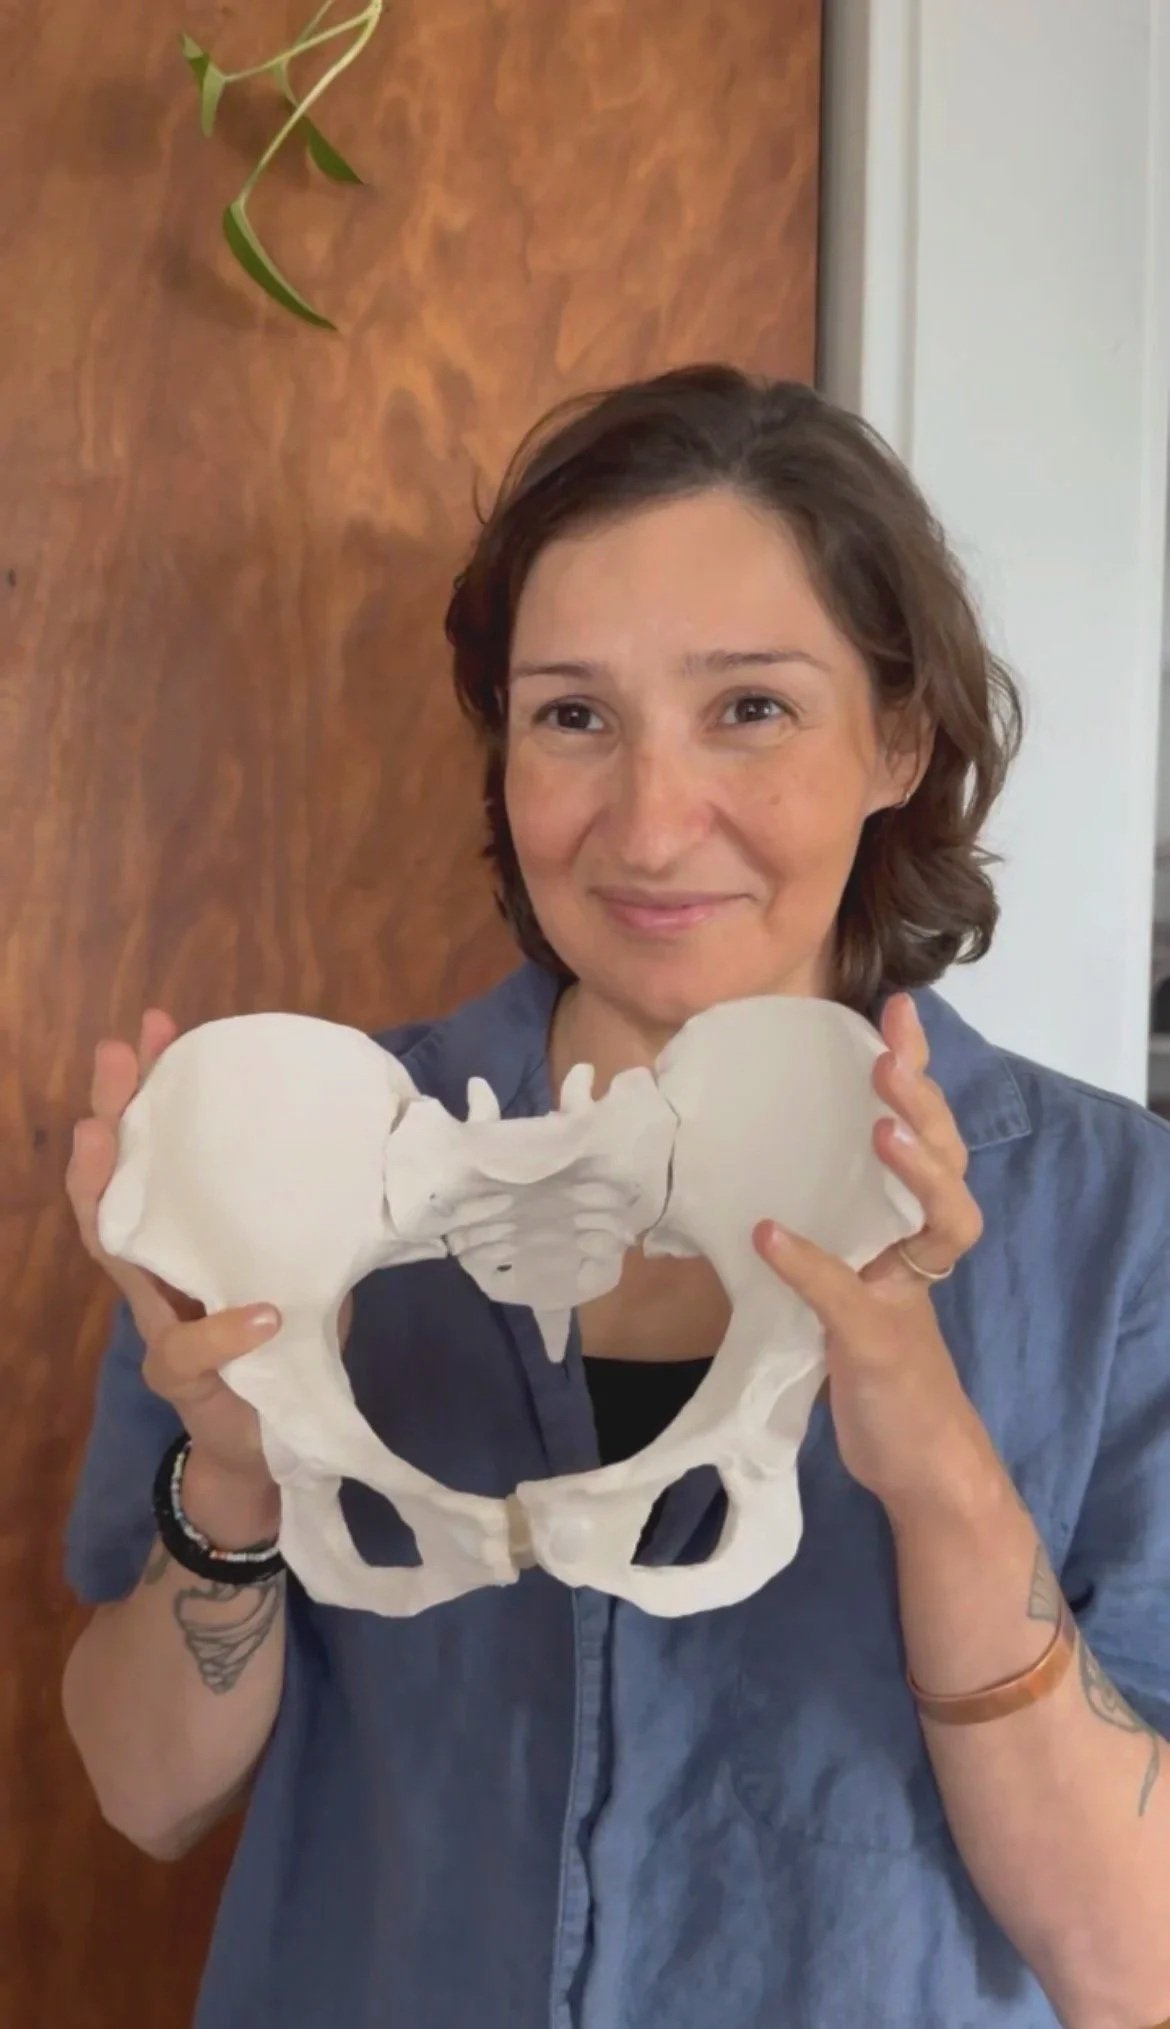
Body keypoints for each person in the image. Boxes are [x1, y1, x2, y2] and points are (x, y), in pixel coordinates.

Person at [62, 366, 1170, 2029]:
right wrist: (232, 1474)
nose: (652, 825)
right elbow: (146, 1791)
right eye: (572, 714)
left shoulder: (1113, 1226)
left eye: (750, 709)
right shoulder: (293, 1167)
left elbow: (1132, 1958)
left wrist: (938, 1466)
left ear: (897, 737)